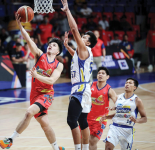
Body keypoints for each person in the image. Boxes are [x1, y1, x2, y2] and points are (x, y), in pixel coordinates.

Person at [0, 13, 65, 150]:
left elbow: (52, 80)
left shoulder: (58, 65)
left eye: (53, 45)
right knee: (45, 124)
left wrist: (36, 75)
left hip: (46, 94)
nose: (50, 46)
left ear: (58, 51)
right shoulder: (40, 55)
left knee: (29, 112)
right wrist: (21, 27)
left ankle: (10, 140)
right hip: (34, 94)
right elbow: (29, 40)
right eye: (50, 44)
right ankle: (56, 147)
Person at [61, 0, 97, 149]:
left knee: (71, 120)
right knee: (83, 122)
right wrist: (67, 47)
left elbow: (74, 30)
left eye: (85, 37)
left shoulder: (85, 50)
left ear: (88, 43)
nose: (82, 37)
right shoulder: (83, 52)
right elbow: (75, 54)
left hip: (80, 89)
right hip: (84, 88)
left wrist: (68, 11)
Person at [100, 78, 147, 150]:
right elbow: (119, 113)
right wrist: (106, 117)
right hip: (115, 127)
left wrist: (136, 121)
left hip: (127, 130)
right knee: (108, 146)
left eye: (130, 83)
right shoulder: (118, 97)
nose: (127, 84)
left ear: (135, 87)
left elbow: (145, 118)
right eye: (126, 82)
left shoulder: (137, 100)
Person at [87, 67, 117, 150]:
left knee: (93, 140)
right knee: (83, 140)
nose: (100, 74)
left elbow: (118, 104)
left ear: (107, 77)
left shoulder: (109, 90)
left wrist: (114, 108)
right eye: (99, 73)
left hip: (100, 120)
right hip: (86, 118)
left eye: (103, 73)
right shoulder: (90, 85)